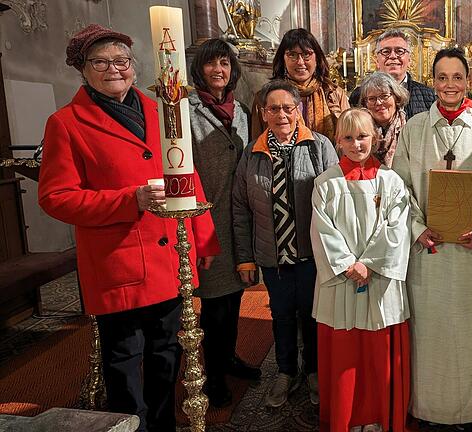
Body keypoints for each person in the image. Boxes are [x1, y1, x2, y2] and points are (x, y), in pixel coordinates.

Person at [38, 24, 220, 431]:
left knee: (167, 355)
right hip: (116, 262)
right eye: (99, 62)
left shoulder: (163, 110)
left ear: (134, 67)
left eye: (121, 61)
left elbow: (186, 174)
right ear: (81, 70)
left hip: (169, 257)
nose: (113, 69)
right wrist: (128, 200)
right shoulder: (65, 123)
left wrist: (203, 236)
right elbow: (55, 197)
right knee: (124, 363)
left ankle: (162, 426)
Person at [392, 48, 472, 430]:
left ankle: (471, 409)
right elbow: (400, 190)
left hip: (471, 251)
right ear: (433, 81)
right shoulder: (413, 129)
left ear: (469, 81)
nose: (450, 85)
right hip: (431, 249)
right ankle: (428, 408)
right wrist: (417, 228)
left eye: (458, 77)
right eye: (442, 77)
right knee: (430, 336)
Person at [233, 79, 339, 408]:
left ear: (299, 110)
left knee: (312, 316)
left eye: (288, 108)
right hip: (272, 254)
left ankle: (313, 372)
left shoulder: (319, 146)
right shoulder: (252, 154)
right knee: (280, 316)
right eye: (273, 108)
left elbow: (337, 199)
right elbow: (240, 207)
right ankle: (284, 372)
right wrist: (245, 259)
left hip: (312, 254)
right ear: (264, 113)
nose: (281, 114)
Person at [311, 108, 412, 432]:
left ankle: (381, 416)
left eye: (363, 136)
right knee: (346, 354)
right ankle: (347, 417)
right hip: (342, 281)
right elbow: (322, 230)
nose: (357, 144)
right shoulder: (326, 184)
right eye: (349, 138)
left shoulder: (391, 181)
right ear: (338, 141)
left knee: (377, 353)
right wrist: (347, 264)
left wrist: (368, 264)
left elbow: (398, 228)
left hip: (379, 281)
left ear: (375, 137)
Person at [188, 37, 261, 408]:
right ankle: (212, 374)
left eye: (226, 64)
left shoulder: (244, 111)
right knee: (214, 304)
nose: (220, 70)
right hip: (207, 218)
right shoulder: (184, 112)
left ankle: (229, 357)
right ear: (199, 68)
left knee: (235, 296)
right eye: (212, 63)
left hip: (239, 218)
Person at [250, 28, 349, 141]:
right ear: (283, 59)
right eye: (292, 55)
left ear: (317, 58)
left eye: (306, 54)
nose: (300, 62)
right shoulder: (265, 98)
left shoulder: (334, 94)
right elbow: (257, 143)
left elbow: (349, 138)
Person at [349, 29, 435, 119]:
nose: (393, 56)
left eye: (399, 51)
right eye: (386, 51)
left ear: (409, 59)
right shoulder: (359, 94)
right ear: (377, 61)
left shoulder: (427, 95)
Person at [357, 72, 409, 167]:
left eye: (384, 96)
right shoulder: (357, 130)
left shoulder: (409, 129)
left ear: (396, 97)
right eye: (372, 99)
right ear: (365, 103)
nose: (379, 103)